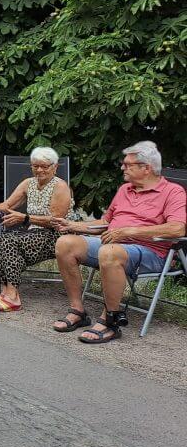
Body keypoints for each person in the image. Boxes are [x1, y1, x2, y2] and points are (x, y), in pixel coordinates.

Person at [51, 141, 185, 343]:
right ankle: (78, 311)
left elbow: (178, 228)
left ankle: (111, 322)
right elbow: (106, 222)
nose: (122, 167)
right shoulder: (124, 190)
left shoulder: (173, 192)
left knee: (109, 251)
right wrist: (73, 225)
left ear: (146, 168)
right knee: (65, 243)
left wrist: (130, 231)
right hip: (113, 245)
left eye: (128, 164)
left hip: (150, 252)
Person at [0, 147, 74, 312]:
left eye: (44, 166)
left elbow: (56, 221)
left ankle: (12, 297)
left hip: (57, 236)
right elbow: (8, 205)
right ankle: (7, 291)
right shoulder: (28, 183)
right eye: (35, 166)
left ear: (55, 167)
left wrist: (24, 218)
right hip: (34, 233)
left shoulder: (60, 187)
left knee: (9, 241)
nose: (39, 170)